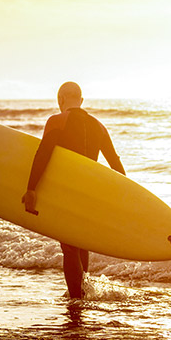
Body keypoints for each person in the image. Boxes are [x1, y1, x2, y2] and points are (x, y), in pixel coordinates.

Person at [22, 81, 125, 299]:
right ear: (81, 100)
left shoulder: (57, 121)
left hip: (68, 192)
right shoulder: (99, 126)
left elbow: (43, 155)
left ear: (60, 100)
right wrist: (125, 199)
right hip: (90, 195)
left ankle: (76, 302)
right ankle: (83, 295)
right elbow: (116, 166)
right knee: (80, 243)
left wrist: (31, 189)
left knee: (69, 247)